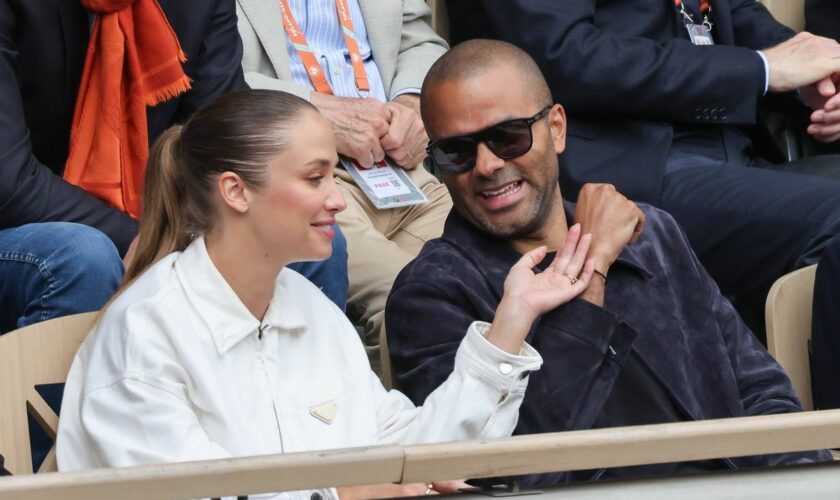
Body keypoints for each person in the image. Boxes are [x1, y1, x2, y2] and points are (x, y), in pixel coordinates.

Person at [54, 89, 617, 499]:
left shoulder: (309, 308)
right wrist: (346, 494)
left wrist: (510, 321)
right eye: (314, 178)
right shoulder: (145, 329)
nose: (339, 200)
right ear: (235, 192)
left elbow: (413, 454)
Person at [386, 40, 832, 485]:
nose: (485, 165)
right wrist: (592, 269)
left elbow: (759, 392)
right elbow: (521, 473)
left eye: (507, 137)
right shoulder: (432, 292)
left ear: (556, 129)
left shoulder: (650, 234)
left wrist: (804, 484)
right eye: (456, 152)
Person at [444, 0, 840, 409]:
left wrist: (819, 73)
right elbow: (566, 53)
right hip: (628, 158)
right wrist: (762, 69)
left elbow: (728, 11)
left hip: (735, 140)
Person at [0, 0, 347, 335]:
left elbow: (222, 142)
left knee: (303, 239)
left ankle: (309, 393)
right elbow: (10, 183)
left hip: (154, 214)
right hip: (23, 228)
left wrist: (177, 234)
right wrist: (142, 238)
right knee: (83, 256)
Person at [235, 0, 453, 367]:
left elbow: (419, 40)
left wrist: (412, 103)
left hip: (402, 165)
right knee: (413, 300)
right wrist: (314, 113)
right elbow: (210, 80)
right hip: (299, 176)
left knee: (497, 278)